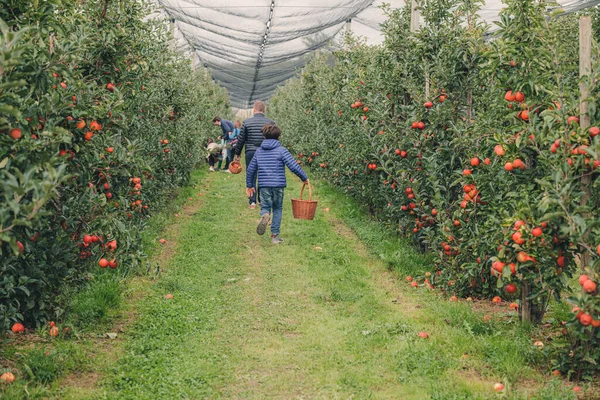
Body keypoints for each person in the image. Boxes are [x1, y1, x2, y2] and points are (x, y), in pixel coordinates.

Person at [246, 124, 309, 244]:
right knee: (277, 208)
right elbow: (293, 166)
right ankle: (275, 236)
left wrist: (249, 185)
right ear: (279, 137)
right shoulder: (282, 151)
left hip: (264, 185)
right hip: (278, 185)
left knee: (265, 206)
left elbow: (251, 169)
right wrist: (304, 178)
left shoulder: (259, 151)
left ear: (264, 137)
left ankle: (265, 215)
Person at [232, 101, 274, 209]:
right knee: (263, 175)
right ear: (264, 110)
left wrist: (237, 154)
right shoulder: (270, 122)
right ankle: (261, 199)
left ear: (254, 110)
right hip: (266, 152)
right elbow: (274, 139)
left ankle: (252, 201)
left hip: (250, 152)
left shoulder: (247, 122)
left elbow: (241, 140)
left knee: (251, 175)